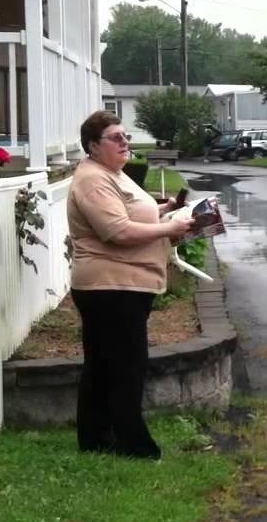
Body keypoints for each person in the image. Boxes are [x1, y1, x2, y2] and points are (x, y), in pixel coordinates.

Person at [68, 110, 193, 459]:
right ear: (93, 146)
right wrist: (170, 228)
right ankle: (134, 446)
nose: (125, 142)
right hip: (110, 287)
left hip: (120, 285)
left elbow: (128, 213)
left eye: (126, 136)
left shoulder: (110, 174)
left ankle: (96, 438)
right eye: (116, 138)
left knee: (106, 366)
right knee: (126, 367)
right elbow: (117, 230)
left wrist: (164, 210)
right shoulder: (93, 179)